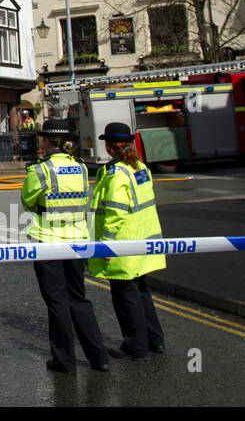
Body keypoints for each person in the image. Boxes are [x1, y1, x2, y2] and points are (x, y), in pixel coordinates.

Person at [21, 121, 110, 373]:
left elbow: (27, 202)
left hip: (49, 242)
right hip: (77, 240)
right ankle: (99, 357)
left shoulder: (40, 170)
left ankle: (64, 361)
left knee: (57, 302)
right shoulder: (80, 167)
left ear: (46, 141)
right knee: (78, 297)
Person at [88, 121, 165, 359]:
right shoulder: (140, 167)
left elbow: (115, 211)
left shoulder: (116, 173)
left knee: (125, 295)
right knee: (141, 291)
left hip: (123, 243)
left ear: (110, 146)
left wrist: (107, 244)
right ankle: (155, 340)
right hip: (144, 241)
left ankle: (136, 346)